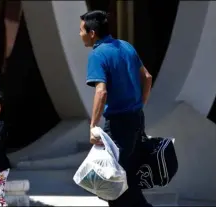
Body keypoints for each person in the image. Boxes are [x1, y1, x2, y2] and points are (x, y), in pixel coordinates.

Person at [79, 11, 153, 207]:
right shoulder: (126, 46)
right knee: (127, 178)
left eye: (81, 30)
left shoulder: (98, 54)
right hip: (137, 119)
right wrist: (140, 105)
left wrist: (93, 126)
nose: (80, 34)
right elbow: (147, 77)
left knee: (113, 184)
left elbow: (101, 92)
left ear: (92, 32)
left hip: (119, 124)